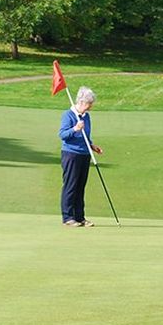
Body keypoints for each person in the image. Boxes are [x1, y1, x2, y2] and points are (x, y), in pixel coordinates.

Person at [59, 86, 103, 227]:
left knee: (80, 186)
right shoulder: (68, 115)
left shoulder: (86, 117)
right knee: (71, 185)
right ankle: (68, 217)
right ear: (82, 102)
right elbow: (63, 135)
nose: (90, 107)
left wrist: (91, 145)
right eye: (89, 104)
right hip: (71, 154)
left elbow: (85, 136)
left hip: (85, 154)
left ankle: (80, 217)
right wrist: (75, 129)